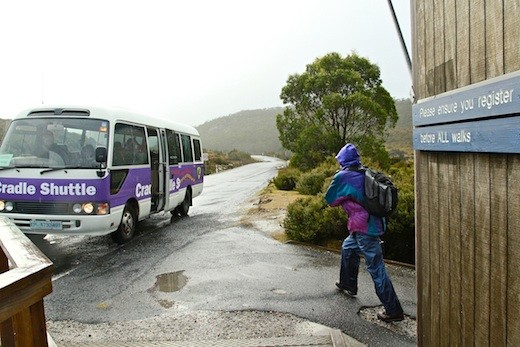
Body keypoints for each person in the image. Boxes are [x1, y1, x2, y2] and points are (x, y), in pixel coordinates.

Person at [325, 143, 404, 323]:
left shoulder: (343, 176)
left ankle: (394, 310)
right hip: (371, 224)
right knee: (347, 248)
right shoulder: (366, 173)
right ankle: (348, 284)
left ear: (343, 161)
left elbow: (330, 199)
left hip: (364, 228)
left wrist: (345, 196)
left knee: (377, 269)